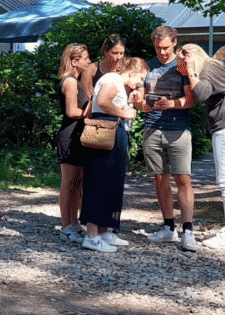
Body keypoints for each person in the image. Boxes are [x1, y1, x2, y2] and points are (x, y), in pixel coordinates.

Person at [176, 44, 225, 250]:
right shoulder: (217, 66)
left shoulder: (208, 69)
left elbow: (202, 93)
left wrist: (192, 71)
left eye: (182, 64)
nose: (181, 70)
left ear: (190, 58)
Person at [80, 56, 147, 254]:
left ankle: (103, 230)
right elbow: (102, 101)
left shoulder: (118, 83)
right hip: (105, 132)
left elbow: (108, 103)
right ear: (132, 72)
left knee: (112, 182)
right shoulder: (112, 78)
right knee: (99, 182)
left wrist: (128, 103)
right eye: (140, 78)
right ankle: (92, 235)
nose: (140, 83)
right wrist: (124, 113)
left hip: (113, 132)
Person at [141, 25, 197, 252]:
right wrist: (141, 104)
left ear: (175, 42)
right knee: (160, 178)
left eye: (165, 47)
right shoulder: (148, 66)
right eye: (158, 48)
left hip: (179, 128)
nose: (162, 52)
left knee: (183, 178)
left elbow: (191, 99)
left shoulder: (182, 66)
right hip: (152, 127)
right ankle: (168, 227)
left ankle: (188, 231)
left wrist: (172, 103)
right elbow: (142, 100)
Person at [55, 43, 90, 243]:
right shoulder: (69, 81)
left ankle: (74, 223)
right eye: (85, 58)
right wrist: (91, 111)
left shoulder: (77, 81)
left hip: (78, 135)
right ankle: (65, 226)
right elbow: (71, 111)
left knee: (77, 183)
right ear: (75, 61)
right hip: (69, 136)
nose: (89, 62)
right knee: (68, 183)